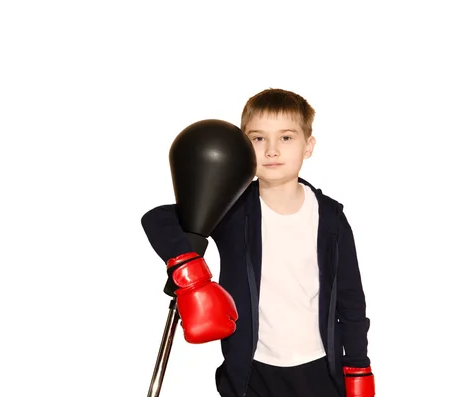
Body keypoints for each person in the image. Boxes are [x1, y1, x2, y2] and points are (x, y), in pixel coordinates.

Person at [141, 88, 375, 397]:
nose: (272, 151)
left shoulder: (331, 218)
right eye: (258, 138)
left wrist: (358, 368)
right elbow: (157, 219)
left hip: (319, 370)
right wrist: (191, 273)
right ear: (242, 146)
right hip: (252, 373)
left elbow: (351, 302)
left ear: (309, 146)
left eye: (286, 138)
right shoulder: (232, 209)